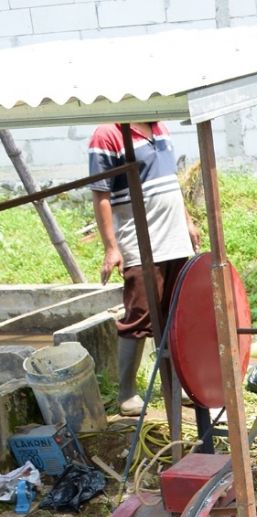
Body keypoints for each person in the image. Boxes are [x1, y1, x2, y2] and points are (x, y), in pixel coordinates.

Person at [88, 121, 199, 415]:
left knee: (175, 316)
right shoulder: (108, 134)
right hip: (141, 242)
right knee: (140, 315)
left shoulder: (160, 127)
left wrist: (187, 221)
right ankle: (126, 393)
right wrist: (111, 247)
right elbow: (101, 194)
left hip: (174, 238)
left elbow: (171, 181)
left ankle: (176, 386)